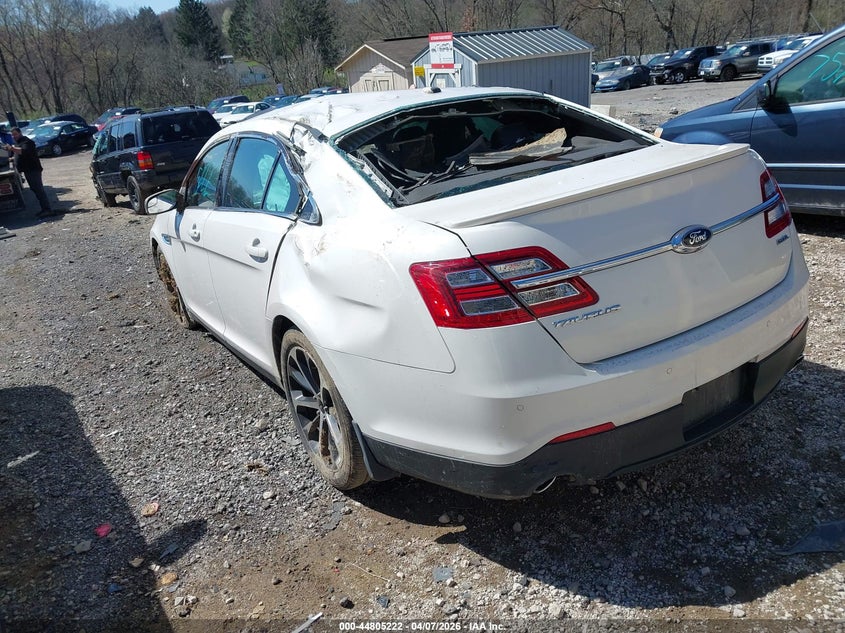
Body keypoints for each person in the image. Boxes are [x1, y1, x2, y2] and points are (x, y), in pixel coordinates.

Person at [4, 126, 54, 217]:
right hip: (28, 170)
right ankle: (45, 209)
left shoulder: (26, 141)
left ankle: (47, 210)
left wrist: (11, 148)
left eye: (15, 134)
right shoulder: (19, 142)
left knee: (38, 190)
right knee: (35, 189)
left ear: (20, 133)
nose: (14, 136)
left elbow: (24, 151)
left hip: (33, 170)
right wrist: (12, 158)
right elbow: (19, 154)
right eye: (12, 135)